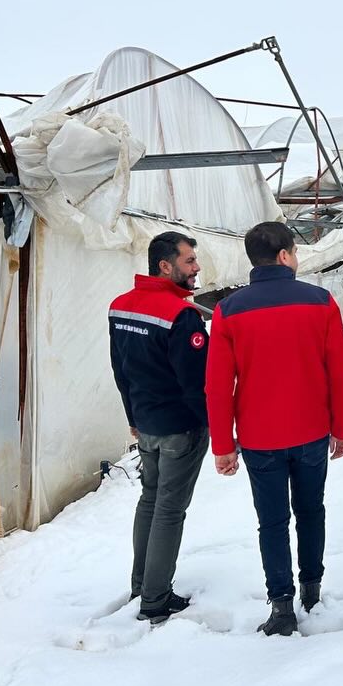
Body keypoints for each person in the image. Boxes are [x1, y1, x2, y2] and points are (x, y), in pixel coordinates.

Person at [205, 222, 343, 637]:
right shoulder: (320, 302)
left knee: (271, 522)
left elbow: (217, 385)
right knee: (311, 511)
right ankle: (312, 590)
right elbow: (340, 372)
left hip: (259, 438)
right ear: (286, 255)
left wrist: (223, 445)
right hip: (311, 431)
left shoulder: (228, 310)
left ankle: (282, 605)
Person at [109, 231, 210, 624]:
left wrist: (133, 417)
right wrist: (214, 427)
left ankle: (142, 583)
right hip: (180, 428)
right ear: (165, 266)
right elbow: (195, 384)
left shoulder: (121, 306)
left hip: (147, 423)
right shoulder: (180, 316)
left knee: (150, 500)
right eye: (189, 261)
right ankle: (155, 598)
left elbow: (120, 370)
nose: (196, 267)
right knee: (170, 509)